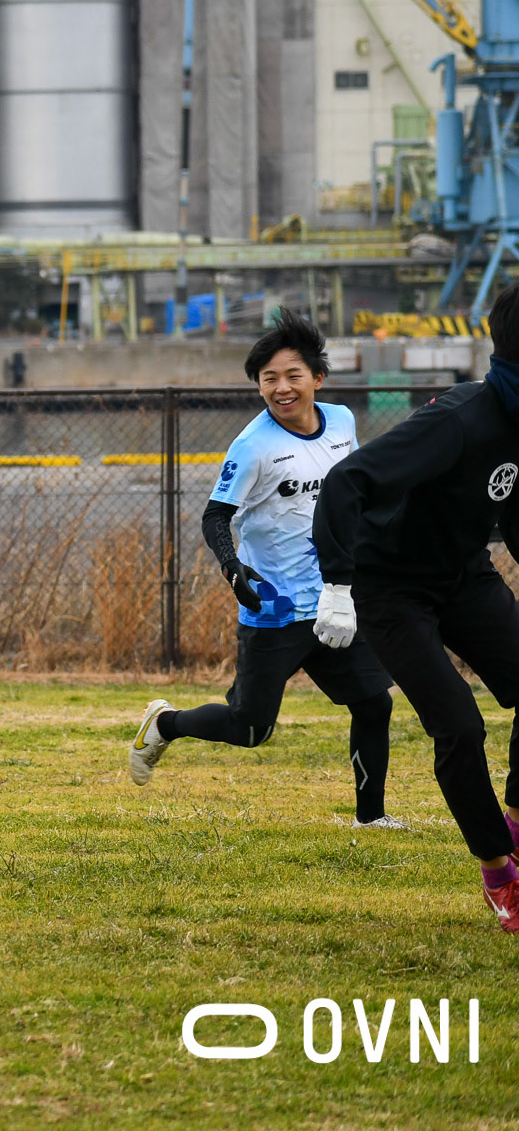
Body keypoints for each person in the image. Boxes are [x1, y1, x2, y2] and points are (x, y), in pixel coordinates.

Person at [128, 310, 399, 827]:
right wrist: (232, 567)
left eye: (293, 375)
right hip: (273, 605)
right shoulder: (253, 446)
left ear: (318, 378)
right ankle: (164, 724)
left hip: (333, 597)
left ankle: (371, 818)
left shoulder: (342, 422)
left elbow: (358, 490)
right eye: (268, 378)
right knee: (251, 728)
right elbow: (215, 516)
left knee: (373, 703)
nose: (281, 388)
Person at [313, 285, 519, 931]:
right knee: (459, 725)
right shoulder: (459, 419)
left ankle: (514, 826)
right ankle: (500, 875)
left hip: (463, 574)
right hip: (389, 587)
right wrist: (336, 585)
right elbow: (347, 481)